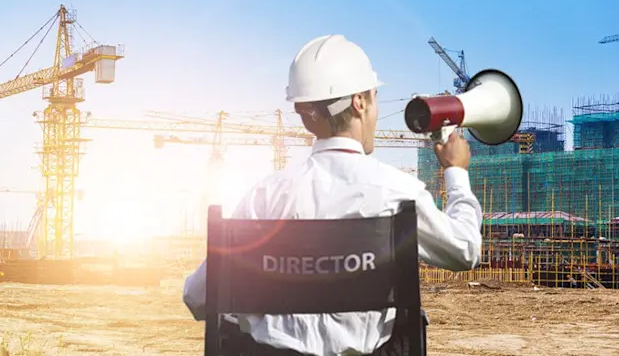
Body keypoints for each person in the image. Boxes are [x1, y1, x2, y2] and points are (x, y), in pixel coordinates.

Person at [183, 34, 483, 355]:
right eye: (375, 97)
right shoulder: (396, 192)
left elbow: (197, 297)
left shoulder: (262, 198)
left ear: (302, 112)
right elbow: (464, 251)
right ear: (359, 102)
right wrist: (456, 171)